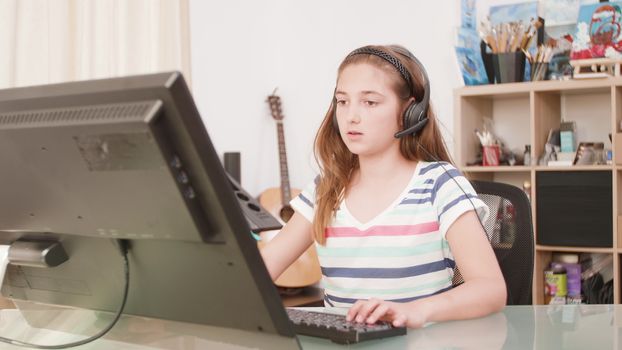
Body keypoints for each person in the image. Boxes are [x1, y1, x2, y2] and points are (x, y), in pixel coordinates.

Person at [260, 44, 506, 329]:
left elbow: (490, 288)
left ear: (410, 111)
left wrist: (416, 311)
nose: (351, 116)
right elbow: (263, 266)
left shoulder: (441, 185)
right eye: (342, 101)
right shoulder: (326, 188)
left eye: (370, 102)